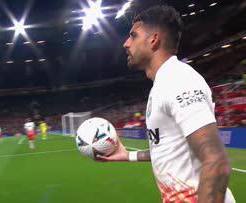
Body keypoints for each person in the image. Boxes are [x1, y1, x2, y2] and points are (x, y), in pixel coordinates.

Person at [97, 5, 235, 203]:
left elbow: (216, 162)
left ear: (153, 39)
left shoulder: (178, 79)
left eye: (133, 36)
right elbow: (167, 151)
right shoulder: (163, 84)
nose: (126, 44)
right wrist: (128, 155)